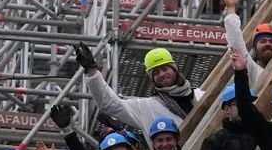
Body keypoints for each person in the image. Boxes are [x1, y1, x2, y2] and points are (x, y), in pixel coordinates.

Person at [73, 41, 202, 135]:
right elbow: (110, 104)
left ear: (175, 69)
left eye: (165, 69)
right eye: (156, 73)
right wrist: (92, 71)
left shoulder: (200, 95)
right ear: (151, 79)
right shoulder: (146, 107)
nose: (162, 74)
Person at [218, 0, 272, 91]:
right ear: (255, 48)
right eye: (263, 41)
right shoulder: (252, 70)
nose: (268, 44)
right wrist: (231, 8)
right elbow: (236, 43)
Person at [198, 83, 259, 150]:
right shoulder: (215, 140)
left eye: (248, 103)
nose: (245, 107)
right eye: (239, 104)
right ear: (227, 109)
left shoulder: (262, 131)